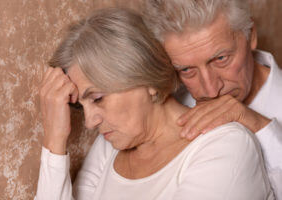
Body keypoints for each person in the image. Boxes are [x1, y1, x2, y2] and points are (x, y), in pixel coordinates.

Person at [35, 8, 274, 200]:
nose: (89, 122)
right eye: (81, 106)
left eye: (98, 98)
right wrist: (54, 141)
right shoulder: (109, 146)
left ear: (147, 79)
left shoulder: (226, 145)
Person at [144, 0, 282, 198]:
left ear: (251, 35)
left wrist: (258, 124)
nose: (210, 90)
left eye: (221, 59)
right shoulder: (170, 103)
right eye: (187, 70)